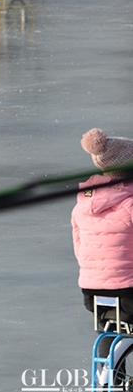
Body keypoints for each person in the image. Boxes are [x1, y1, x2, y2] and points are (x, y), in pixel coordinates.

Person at [72, 129, 133, 366]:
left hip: (92, 291)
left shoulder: (82, 204)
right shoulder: (130, 203)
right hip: (128, 291)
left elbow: (80, 248)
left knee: (110, 330)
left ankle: (108, 386)